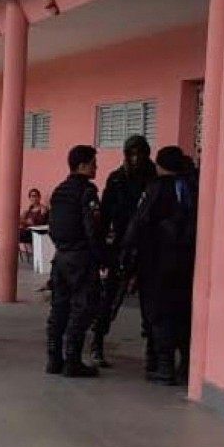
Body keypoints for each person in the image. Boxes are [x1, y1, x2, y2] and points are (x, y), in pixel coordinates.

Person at [123, 146, 198, 385]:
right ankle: (186, 365)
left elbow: (140, 222)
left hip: (158, 261)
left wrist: (127, 252)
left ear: (160, 165)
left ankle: (164, 366)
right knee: (183, 313)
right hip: (188, 263)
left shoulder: (157, 188)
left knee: (158, 314)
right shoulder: (193, 186)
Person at [90, 134, 157, 369]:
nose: (136, 158)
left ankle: (153, 354)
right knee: (109, 299)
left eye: (140, 153)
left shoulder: (154, 179)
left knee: (152, 304)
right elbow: (105, 216)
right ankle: (97, 343)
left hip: (150, 247)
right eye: (132, 153)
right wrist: (102, 251)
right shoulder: (117, 179)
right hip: (121, 246)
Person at [45, 145, 104, 378]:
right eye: (93, 164)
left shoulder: (59, 190)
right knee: (82, 308)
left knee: (59, 308)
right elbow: (93, 229)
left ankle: (53, 359)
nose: (96, 168)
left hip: (60, 257)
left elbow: (53, 226)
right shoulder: (87, 191)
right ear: (82, 166)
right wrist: (102, 257)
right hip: (81, 259)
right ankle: (72, 361)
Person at [0, 188, 49, 260]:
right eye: (31, 196)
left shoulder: (42, 209)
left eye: (35, 196)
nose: (33, 198)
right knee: (3, 234)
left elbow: (35, 223)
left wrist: (23, 221)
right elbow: (23, 220)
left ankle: (0, 253)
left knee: (8, 234)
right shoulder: (28, 210)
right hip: (24, 231)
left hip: (32, 233)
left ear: (39, 197)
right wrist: (22, 220)